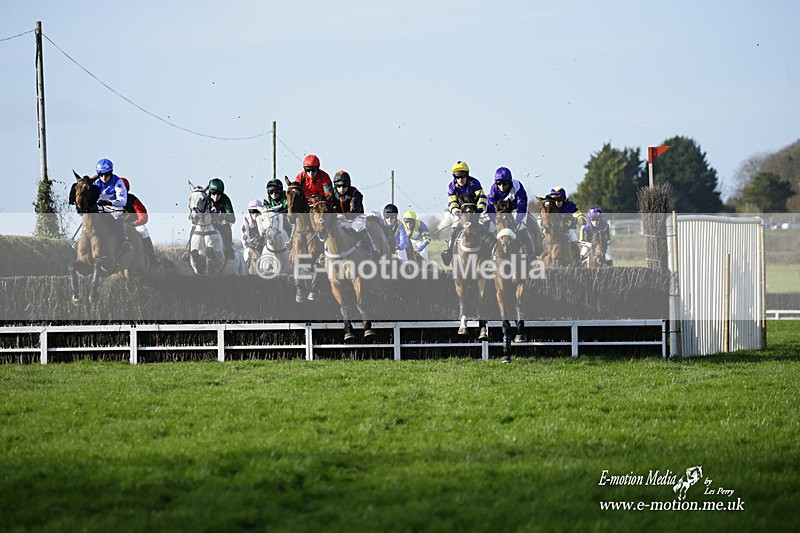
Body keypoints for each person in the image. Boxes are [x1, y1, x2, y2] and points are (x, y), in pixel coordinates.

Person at [441, 161, 488, 266]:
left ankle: (490, 252)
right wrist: (456, 212)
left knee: (488, 227)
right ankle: (449, 251)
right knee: (454, 228)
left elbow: (482, 198)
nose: (460, 179)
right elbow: (452, 201)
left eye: (462, 176)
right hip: (461, 214)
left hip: (475, 212)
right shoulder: (452, 186)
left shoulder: (475, 183)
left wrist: (480, 209)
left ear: (466, 175)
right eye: (457, 177)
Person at [486, 167, 537, 256]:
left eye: (505, 183)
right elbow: (490, 207)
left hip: (516, 210)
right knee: (491, 228)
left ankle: (531, 254)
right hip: (501, 212)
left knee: (521, 227)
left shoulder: (517, 186)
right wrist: (495, 221)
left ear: (509, 182)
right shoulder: (494, 189)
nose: (502, 186)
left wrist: (516, 221)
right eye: (499, 183)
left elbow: (522, 206)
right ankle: (486, 254)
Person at [332, 170, 379, 259]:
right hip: (339, 218)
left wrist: (344, 216)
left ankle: (371, 250)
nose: (341, 189)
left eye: (344, 186)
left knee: (359, 226)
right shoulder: (332, 193)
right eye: (339, 186)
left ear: (348, 185)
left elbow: (355, 211)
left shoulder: (355, 193)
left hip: (355, 217)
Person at [92, 158, 132, 253]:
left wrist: (109, 202)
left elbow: (122, 201)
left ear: (111, 172)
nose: (104, 177)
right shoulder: (95, 183)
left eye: (107, 174)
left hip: (114, 210)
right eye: (101, 175)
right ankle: (80, 238)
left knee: (118, 217)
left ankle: (124, 241)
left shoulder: (118, 182)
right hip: (99, 209)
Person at [119, 177, 158, 264]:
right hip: (118, 225)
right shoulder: (112, 200)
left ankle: (152, 257)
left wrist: (134, 223)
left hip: (134, 224)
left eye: (121, 188)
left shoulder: (132, 199)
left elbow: (143, 216)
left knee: (143, 231)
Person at [547, 185, 585, 263]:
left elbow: (582, 218)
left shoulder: (569, 205)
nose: (557, 203)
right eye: (554, 200)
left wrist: (573, 220)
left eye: (559, 200)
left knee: (573, 238)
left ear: (563, 199)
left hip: (567, 229)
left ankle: (578, 261)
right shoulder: (549, 207)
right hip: (553, 230)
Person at [207, 177, 236, 259]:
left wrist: (221, 215)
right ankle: (190, 251)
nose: (216, 197)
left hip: (221, 226)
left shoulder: (225, 200)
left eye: (218, 194)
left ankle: (229, 248)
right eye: (213, 193)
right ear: (210, 192)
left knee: (226, 228)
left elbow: (232, 218)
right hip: (208, 224)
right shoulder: (205, 198)